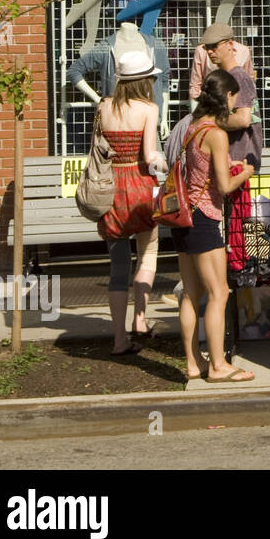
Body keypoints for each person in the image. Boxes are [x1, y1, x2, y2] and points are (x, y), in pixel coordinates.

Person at [172, 70, 256, 383]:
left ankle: (194, 362)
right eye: (234, 98)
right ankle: (219, 365)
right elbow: (223, 185)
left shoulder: (192, 127)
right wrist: (245, 171)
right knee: (219, 292)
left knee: (191, 295)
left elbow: (199, 171)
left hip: (181, 218)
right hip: (204, 218)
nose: (235, 105)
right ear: (225, 97)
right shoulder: (217, 134)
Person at [96, 52, 168, 356]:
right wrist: (163, 165)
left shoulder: (103, 106)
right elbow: (150, 154)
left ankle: (118, 339)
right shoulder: (149, 109)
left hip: (111, 188)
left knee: (118, 265)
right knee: (148, 252)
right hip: (139, 186)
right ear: (145, 80)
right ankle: (140, 318)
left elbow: (100, 149)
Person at [201, 24, 263, 273]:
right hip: (229, 160)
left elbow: (244, 119)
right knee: (229, 224)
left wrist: (210, 122)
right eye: (206, 48)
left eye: (213, 47)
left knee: (235, 225)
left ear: (229, 45)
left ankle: (237, 271)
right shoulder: (225, 77)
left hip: (238, 161)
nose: (209, 53)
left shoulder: (239, 78)